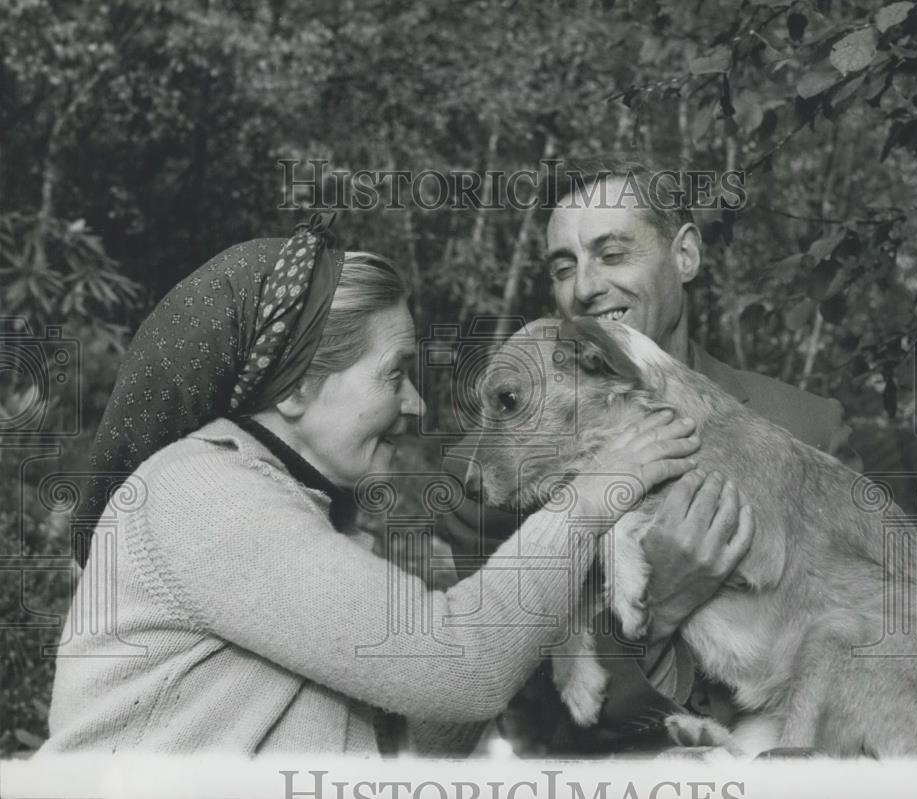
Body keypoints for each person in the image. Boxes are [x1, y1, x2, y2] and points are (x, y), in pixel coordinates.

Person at [38, 214, 702, 756]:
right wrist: (590, 499)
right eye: (394, 373)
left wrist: (488, 608)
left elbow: (427, 730)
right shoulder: (200, 493)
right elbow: (462, 667)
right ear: (298, 388)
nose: (415, 403)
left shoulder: (309, 510)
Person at [440, 158, 857, 755]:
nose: (584, 288)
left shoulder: (808, 427)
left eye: (612, 254)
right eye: (564, 267)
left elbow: (876, 651)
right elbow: (529, 720)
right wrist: (662, 602)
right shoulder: (486, 477)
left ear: (685, 256)